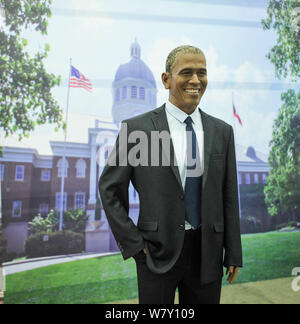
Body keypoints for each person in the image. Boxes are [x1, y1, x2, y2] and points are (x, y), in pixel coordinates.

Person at [99, 45, 243, 304]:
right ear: (166, 80)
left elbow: (229, 196)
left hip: (207, 254)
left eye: (202, 73)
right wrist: (135, 245)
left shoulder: (222, 132)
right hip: (155, 253)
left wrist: (233, 251)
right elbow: (110, 189)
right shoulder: (137, 130)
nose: (196, 80)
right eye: (186, 72)